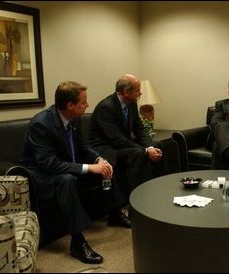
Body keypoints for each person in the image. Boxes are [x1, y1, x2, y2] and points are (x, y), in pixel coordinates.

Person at [20, 81, 131, 265]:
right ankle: (78, 242)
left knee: (105, 165)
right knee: (66, 180)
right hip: (38, 175)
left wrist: (98, 160)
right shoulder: (40, 125)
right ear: (70, 105)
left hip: (63, 165)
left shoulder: (73, 118)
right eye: (83, 102)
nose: (87, 105)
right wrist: (87, 167)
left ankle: (115, 212)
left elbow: (82, 146)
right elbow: (49, 164)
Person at [88, 74, 168, 198]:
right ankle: (137, 197)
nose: (140, 93)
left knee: (159, 145)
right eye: (137, 90)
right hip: (106, 148)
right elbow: (116, 139)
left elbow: (140, 130)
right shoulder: (106, 107)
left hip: (122, 144)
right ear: (126, 92)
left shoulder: (131, 103)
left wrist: (150, 147)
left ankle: (161, 189)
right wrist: (146, 150)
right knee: (138, 153)